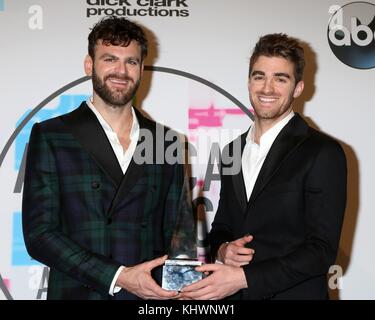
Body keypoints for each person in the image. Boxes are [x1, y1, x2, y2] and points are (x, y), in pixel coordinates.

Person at [22, 16, 192, 300]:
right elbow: (39, 235)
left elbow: (178, 237)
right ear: (89, 65)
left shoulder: (168, 142)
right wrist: (118, 276)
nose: (121, 71)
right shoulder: (52, 135)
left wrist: (181, 290)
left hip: (148, 300)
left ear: (142, 69)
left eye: (131, 62)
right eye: (110, 59)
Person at [181, 33, 347, 300]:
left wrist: (244, 278)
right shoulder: (232, 151)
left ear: (298, 88)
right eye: (259, 77)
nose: (267, 89)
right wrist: (223, 249)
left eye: (280, 79)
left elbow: (321, 251)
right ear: (249, 82)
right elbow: (222, 225)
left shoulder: (322, 152)